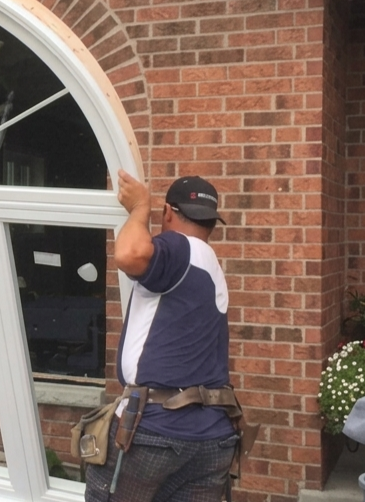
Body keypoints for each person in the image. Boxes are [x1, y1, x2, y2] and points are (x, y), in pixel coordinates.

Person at [84, 170, 244, 502]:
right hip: (212, 436)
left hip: (155, 431)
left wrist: (140, 207)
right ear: (212, 222)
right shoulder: (210, 264)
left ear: (168, 213)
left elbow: (129, 254)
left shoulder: (178, 247)